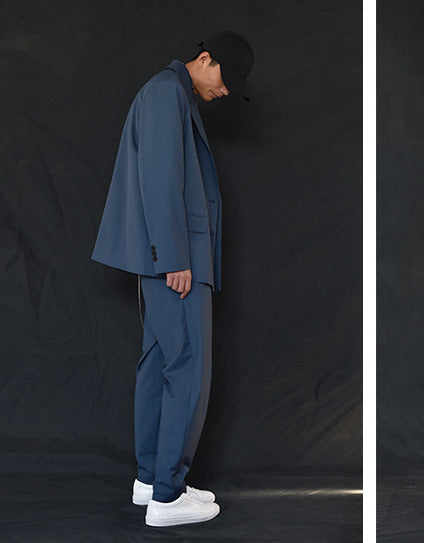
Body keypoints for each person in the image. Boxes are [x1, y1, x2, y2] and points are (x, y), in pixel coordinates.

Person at [92, 31, 253, 527]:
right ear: (205, 59)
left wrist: (166, 257)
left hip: (162, 260)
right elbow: (161, 180)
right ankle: (167, 495)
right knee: (187, 369)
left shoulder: (167, 93)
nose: (226, 91)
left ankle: (150, 481)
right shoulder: (166, 94)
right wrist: (175, 258)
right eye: (226, 78)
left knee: (158, 365)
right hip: (176, 262)